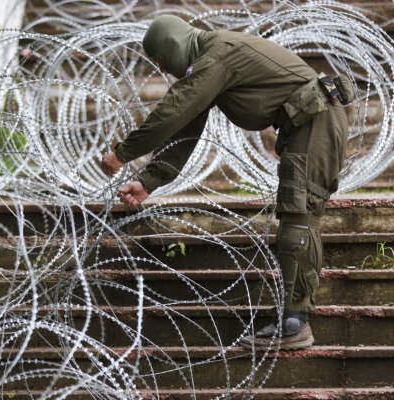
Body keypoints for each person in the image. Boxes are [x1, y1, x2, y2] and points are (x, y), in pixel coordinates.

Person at [100, 15, 351, 350]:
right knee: (297, 213)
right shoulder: (211, 60)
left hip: (316, 120)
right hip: (307, 123)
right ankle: (293, 317)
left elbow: (174, 110)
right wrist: (149, 180)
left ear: (171, 47)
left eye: (160, 61)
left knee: (299, 215)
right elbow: (186, 126)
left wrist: (122, 153)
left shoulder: (218, 52)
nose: (164, 69)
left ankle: (295, 323)